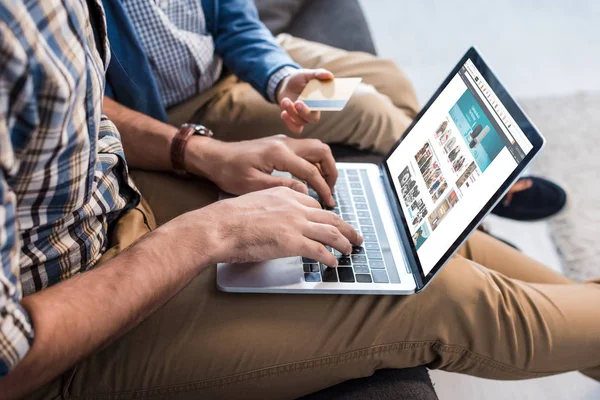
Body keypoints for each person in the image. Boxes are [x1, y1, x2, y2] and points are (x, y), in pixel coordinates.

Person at [3, 2, 598, 400]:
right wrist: (205, 233)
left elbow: (86, 108)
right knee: (436, 293)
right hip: (68, 326)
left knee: (398, 214)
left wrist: (197, 152)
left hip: (125, 194)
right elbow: (11, 355)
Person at [101, 0, 566, 222]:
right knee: (369, 109)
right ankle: (468, 202)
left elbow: (234, 19)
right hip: (183, 107)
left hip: (237, 62)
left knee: (387, 76)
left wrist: (280, 76)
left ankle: (443, 195)